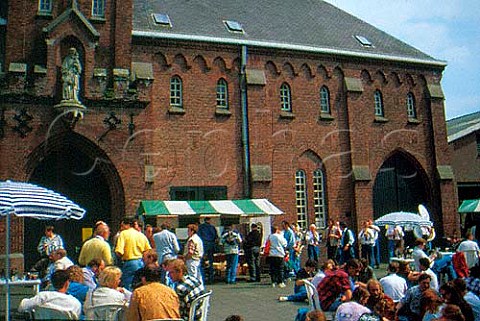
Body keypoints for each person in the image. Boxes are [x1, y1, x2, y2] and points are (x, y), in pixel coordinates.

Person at [114, 218, 151, 291]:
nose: (121, 228)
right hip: (141, 262)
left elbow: (119, 251)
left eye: (122, 225)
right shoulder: (141, 235)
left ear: (127, 225)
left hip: (129, 263)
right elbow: (148, 251)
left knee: (128, 286)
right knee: (139, 285)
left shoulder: (123, 234)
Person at [197, 217, 219, 284]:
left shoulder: (200, 227)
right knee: (211, 263)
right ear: (209, 220)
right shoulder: (212, 227)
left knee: (202, 263)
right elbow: (216, 237)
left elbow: (199, 236)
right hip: (211, 245)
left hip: (204, 245)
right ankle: (211, 278)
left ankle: (202, 278)